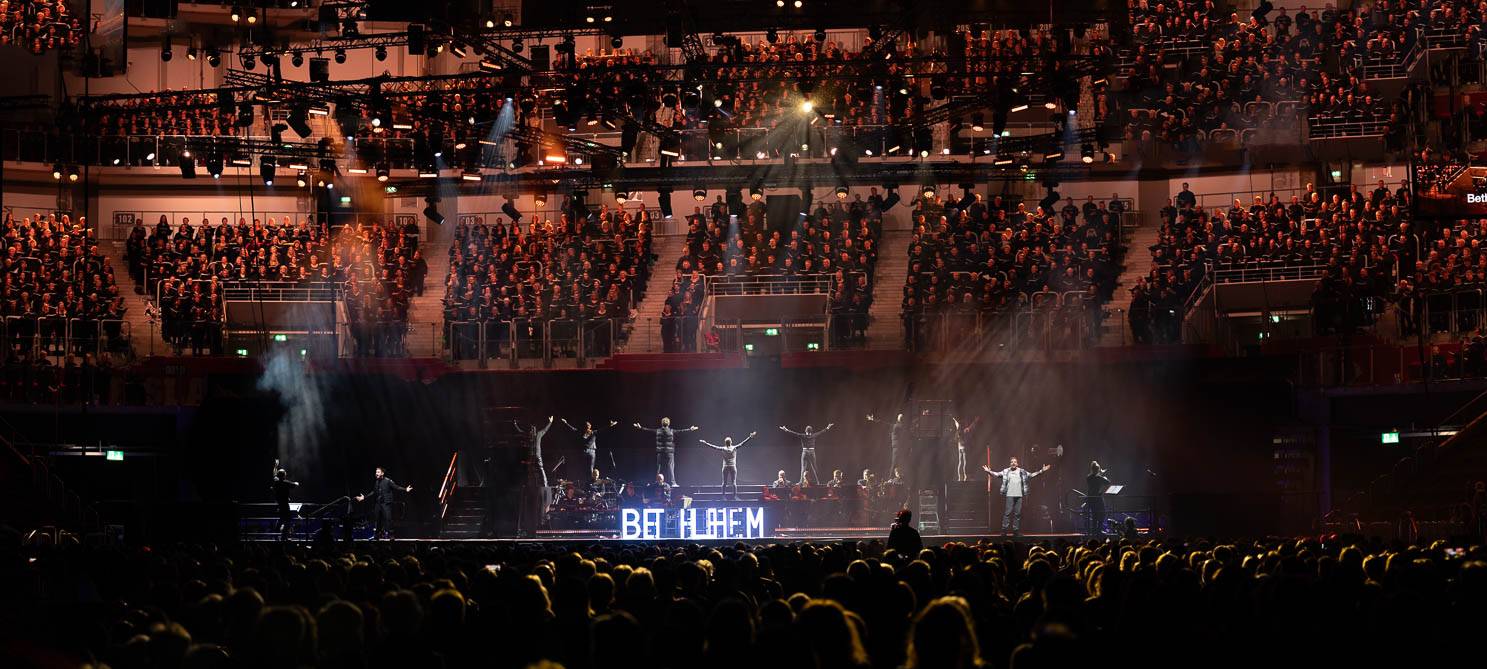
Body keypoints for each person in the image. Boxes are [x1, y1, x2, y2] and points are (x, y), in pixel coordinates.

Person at [983, 456, 1050, 535]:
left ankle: (1016, 530)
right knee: (1007, 513)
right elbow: (997, 474)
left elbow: (1031, 475)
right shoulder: (1006, 471)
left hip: (1019, 495)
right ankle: (1004, 530)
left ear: (1017, 463)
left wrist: (1042, 471)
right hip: (1009, 495)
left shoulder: (1022, 471)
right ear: (1010, 463)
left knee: (1017, 513)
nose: (1013, 463)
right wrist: (988, 471)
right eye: (1012, 462)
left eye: (1015, 462)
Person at [634, 417, 699, 486]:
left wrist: (640, 427)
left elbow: (648, 430)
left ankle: (657, 482)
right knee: (670, 466)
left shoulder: (658, 430)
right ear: (668, 423)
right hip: (669, 452)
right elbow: (681, 431)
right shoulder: (671, 431)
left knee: (658, 467)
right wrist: (690, 429)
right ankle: (673, 483)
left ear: (662, 423)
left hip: (660, 451)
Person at [355, 467, 412, 540]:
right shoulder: (376, 482)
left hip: (386, 503)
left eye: (378, 472)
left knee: (388, 519)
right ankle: (377, 535)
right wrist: (364, 497)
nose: (376, 473)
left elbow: (396, 487)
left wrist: (405, 489)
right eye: (376, 472)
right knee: (378, 519)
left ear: (382, 473)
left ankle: (391, 534)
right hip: (378, 504)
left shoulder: (388, 481)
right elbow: (373, 492)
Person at [700, 431, 757, 500]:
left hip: (725, 467)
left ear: (725, 443)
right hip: (732, 466)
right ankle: (735, 496)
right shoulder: (734, 448)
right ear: (731, 442)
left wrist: (705, 443)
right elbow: (743, 443)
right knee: (734, 482)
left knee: (724, 482)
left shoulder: (723, 448)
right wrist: (750, 437)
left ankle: (723, 496)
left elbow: (713, 447)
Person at [563, 418, 618, 487]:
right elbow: (602, 429)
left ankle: (589, 482)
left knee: (587, 468)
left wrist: (566, 423)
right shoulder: (591, 432)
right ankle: (590, 483)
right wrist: (610, 425)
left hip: (586, 452)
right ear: (589, 427)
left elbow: (573, 429)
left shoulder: (586, 432)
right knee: (589, 468)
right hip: (590, 452)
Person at [271, 459, 299, 541]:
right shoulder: (286, 483)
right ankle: (283, 538)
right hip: (285, 505)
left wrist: (276, 466)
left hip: (279, 505)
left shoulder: (276, 481)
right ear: (284, 475)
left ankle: (276, 537)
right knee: (287, 522)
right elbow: (295, 485)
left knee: (280, 520)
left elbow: (274, 474)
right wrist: (296, 483)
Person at [1085, 460, 1111, 536]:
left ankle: (1094, 531)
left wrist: (1100, 474)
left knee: (1094, 515)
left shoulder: (1088, 477)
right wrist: (1103, 475)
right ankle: (1099, 530)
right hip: (1098, 499)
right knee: (1102, 514)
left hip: (1091, 499)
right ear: (1098, 469)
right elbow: (1108, 482)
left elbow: (1095, 478)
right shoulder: (1099, 477)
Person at [951, 416, 980, 482]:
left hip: (959, 447)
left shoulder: (958, 430)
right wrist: (975, 421)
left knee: (960, 462)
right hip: (963, 447)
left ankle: (959, 477)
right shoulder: (964, 431)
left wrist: (954, 419)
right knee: (964, 462)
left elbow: (957, 423)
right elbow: (971, 427)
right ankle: (964, 476)